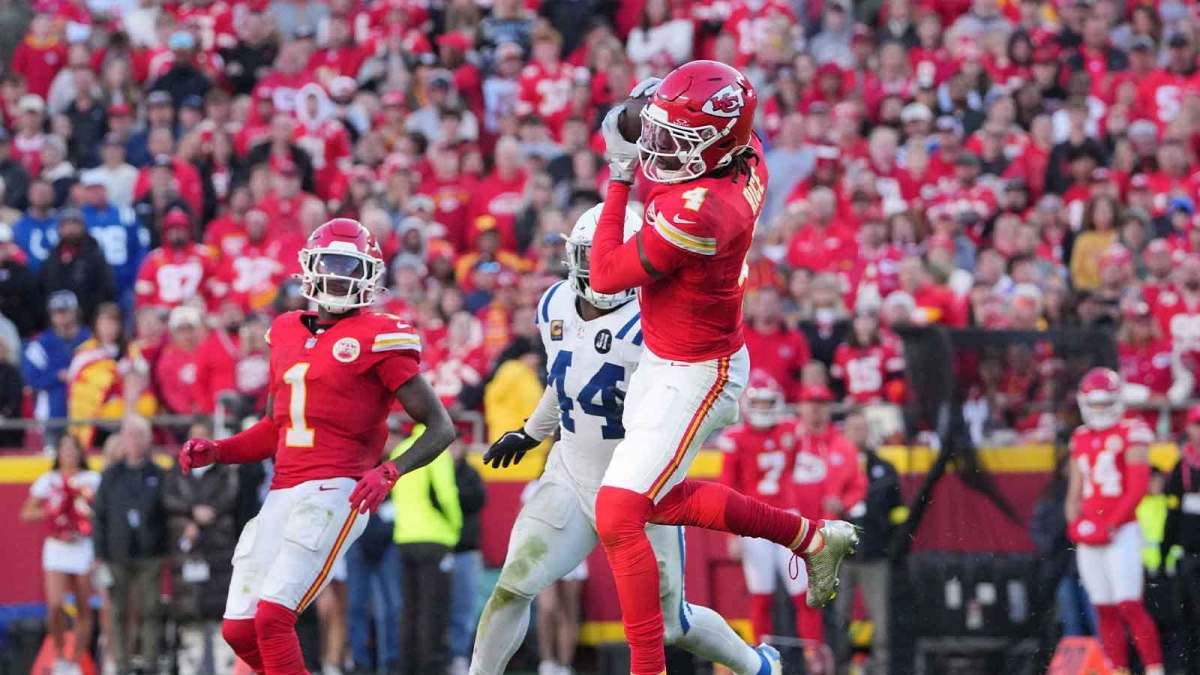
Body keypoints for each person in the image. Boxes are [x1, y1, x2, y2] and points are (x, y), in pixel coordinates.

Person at [590, 63, 857, 674]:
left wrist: (620, 173)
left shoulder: (704, 212)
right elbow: (680, 123)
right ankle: (810, 537)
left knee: (618, 513)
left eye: (675, 144)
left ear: (719, 147)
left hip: (695, 372)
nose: (659, 151)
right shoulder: (746, 150)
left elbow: (605, 276)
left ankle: (647, 669)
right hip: (672, 354)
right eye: (660, 138)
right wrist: (646, 110)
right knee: (654, 501)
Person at [472, 203, 782, 675]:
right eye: (587, 255)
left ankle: (757, 666)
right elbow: (566, 377)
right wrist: (531, 431)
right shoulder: (554, 303)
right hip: (572, 474)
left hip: (640, 485)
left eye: (605, 255)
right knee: (513, 585)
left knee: (671, 624)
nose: (595, 268)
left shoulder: (659, 323)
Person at [178, 218, 457, 674]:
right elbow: (276, 427)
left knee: (272, 618)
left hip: (337, 490)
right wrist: (220, 450)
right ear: (309, 266)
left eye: (350, 266)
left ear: (368, 274)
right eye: (330, 263)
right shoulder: (286, 331)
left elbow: (440, 425)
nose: (338, 275)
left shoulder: (379, 335)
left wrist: (390, 470)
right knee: (239, 630)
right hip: (284, 491)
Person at [1066, 368, 1163, 675]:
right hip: (1092, 532)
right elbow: (1075, 490)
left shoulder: (1131, 431)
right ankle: (1118, 670)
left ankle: (1153, 669)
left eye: (1103, 403)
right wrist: (1074, 523)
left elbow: (1138, 488)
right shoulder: (1080, 437)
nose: (1098, 411)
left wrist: (1112, 524)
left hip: (1121, 531)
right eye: (1092, 404)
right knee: (1103, 607)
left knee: (1128, 604)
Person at [717, 372, 809, 642]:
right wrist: (730, 534)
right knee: (761, 595)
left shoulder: (791, 430)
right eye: (759, 404)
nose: (764, 409)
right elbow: (727, 489)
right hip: (753, 522)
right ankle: (763, 656)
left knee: (803, 593)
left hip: (787, 517)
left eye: (768, 403)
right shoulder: (736, 437)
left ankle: (812, 654)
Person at [92, 415, 168, 674]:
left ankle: (149, 661)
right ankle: (121, 662)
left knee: (150, 609)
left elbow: (166, 512)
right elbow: (99, 516)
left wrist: (164, 548)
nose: (133, 441)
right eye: (129, 435)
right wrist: (99, 553)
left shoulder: (158, 474)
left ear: (147, 440)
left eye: (139, 435)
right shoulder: (111, 476)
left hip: (150, 552)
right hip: (117, 552)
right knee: (118, 611)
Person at [163, 420, 241, 675]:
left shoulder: (224, 471)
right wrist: (191, 516)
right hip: (187, 556)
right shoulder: (175, 473)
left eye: (203, 437)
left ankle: (224, 668)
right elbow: (168, 501)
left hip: (219, 552)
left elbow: (230, 498)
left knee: (221, 620)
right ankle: (190, 669)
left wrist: (209, 515)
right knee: (190, 620)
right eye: (193, 437)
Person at [19, 434, 100, 673]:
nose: (69, 453)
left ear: (80, 453)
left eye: (73, 448)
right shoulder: (48, 480)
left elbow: (101, 512)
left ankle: (75, 660)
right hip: (57, 547)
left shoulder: (92, 479)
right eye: (64, 448)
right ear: (58, 453)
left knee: (84, 606)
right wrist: (55, 512)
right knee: (54, 605)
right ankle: (59, 655)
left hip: (83, 545)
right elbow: (26, 513)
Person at [830, 411, 901, 675]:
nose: (858, 434)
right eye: (853, 429)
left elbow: (898, 513)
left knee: (881, 624)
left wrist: (889, 545)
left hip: (875, 555)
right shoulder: (832, 466)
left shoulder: (884, 469)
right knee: (838, 620)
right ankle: (839, 669)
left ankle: (881, 670)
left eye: (862, 429)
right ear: (844, 433)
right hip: (840, 557)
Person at [390, 428, 461, 675]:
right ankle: (430, 665)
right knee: (433, 607)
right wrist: (455, 528)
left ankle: (407, 665)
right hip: (435, 537)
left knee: (410, 607)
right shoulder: (437, 450)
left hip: (404, 536)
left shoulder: (400, 450)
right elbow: (446, 494)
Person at [1161, 404, 1200, 673]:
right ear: (1188, 428)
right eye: (1197, 425)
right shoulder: (1182, 466)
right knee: (1187, 620)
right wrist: (1165, 554)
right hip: (1189, 557)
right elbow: (1171, 515)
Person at [22, 290, 88, 437]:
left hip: (86, 413)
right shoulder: (41, 344)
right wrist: (57, 375)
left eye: (66, 311)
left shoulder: (89, 339)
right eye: (57, 312)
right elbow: (31, 378)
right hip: (52, 413)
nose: (62, 317)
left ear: (75, 312)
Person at [448, 440, 486, 675]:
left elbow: (477, 501)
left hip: (465, 550)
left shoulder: (471, 474)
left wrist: (450, 491)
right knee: (439, 607)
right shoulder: (433, 470)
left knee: (464, 608)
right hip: (442, 549)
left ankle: (460, 655)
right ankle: (444, 654)